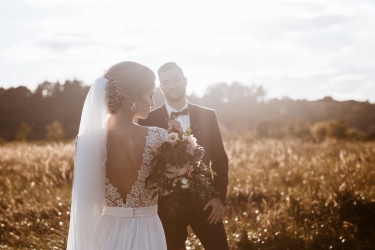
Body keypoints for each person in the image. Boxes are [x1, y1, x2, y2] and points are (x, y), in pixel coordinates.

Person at [67, 61, 174, 249]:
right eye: (150, 95)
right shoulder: (159, 136)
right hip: (147, 230)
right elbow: (168, 189)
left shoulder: (85, 142)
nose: (153, 102)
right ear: (130, 97)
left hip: (107, 233)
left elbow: (85, 200)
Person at [138, 62, 229, 250]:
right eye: (167, 82)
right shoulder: (147, 119)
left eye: (176, 79)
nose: (173, 85)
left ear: (185, 81)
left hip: (206, 202)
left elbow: (220, 159)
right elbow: (143, 164)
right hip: (166, 206)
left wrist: (219, 197)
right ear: (161, 87)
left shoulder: (208, 115)